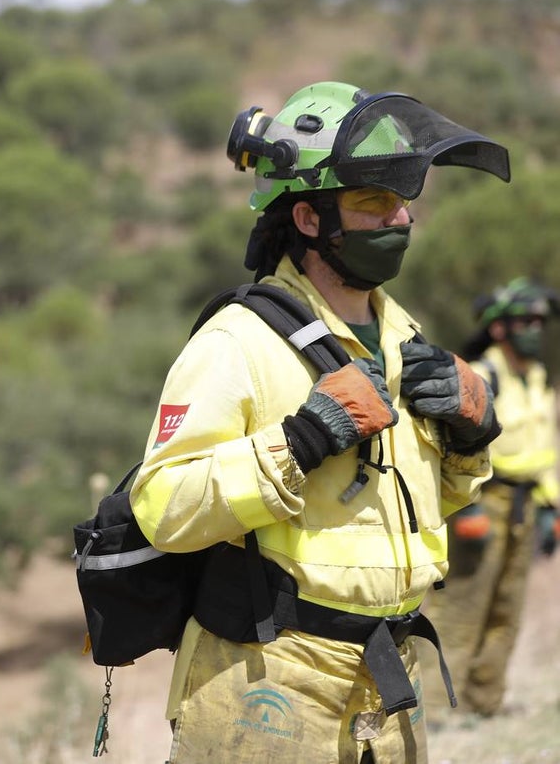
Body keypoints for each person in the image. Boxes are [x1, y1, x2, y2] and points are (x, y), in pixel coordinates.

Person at [129, 81, 511, 763]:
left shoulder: (403, 337)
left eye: (403, 200)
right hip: (269, 686)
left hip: (388, 684)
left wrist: (469, 440)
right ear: (308, 219)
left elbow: (403, 509)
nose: (399, 218)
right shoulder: (237, 340)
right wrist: (302, 440)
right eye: (374, 201)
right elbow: (163, 507)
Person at [418, 277, 559, 722]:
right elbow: (449, 444)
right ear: (500, 328)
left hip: (526, 503)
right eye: (525, 320)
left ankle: (485, 699)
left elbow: (544, 446)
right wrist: (467, 505)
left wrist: (551, 507)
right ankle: (436, 709)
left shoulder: (538, 376)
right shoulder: (481, 374)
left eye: (540, 320)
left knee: (507, 607)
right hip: (484, 501)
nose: (535, 328)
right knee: (461, 604)